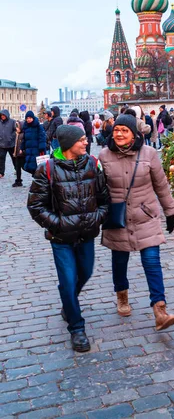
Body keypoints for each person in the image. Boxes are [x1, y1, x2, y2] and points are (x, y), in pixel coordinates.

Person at [27, 125, 110, 352]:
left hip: (86, 234)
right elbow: (35, 205)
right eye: (81, 140)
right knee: (68, 279)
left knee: (85, 273)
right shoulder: (48, 170)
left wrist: (97, 217)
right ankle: (77, 328)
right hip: (61, 238)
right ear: (68, 144)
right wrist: (59, 224)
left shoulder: (92, 164)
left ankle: (68, 302)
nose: (86, 143)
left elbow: (104, 197)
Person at [98, 114, 174, 330]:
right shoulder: (104, 156)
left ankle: (159, 309)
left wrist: (170, 212)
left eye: (124, 130)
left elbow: (161, 185)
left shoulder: (149, 153)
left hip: (146, 216)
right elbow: (98, 190)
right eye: (116, 130)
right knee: (119, 261)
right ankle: (122, 295)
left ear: (134, 133)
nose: (120, 134)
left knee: (152, 261)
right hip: (118, 218)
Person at [21, 111, 47, 175]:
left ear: (33, 118)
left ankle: (37, 181)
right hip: (29, 150)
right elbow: (24, 139)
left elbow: (42, 137)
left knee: (37, 167)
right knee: (29, 167)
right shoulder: (26, 127)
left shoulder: (38, 126)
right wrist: (21, 148)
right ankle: (36, 180)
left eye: (30, 118)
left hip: (37, 150)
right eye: (27, 118)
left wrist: (42, 147)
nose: (28, 119)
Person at [0, 109, 16, 178]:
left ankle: (17, 169)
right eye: (1, 115)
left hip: (11, 144)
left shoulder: (12, 122)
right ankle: (1, 173)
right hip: (2, 144)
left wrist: (11, 138)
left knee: (14, 158)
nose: (2, 116)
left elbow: (16, 131)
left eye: (3, 115)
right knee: (1, 159)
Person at [12, 121, 25, 187]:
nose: (16, 128)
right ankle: (18, 180)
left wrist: (22, 150)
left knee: (24, 167)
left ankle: (35, 174)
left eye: (17, 127)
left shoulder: (22, 135)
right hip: (17, 154)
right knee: (17, 168)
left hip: (21, 154)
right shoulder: (17, 135)